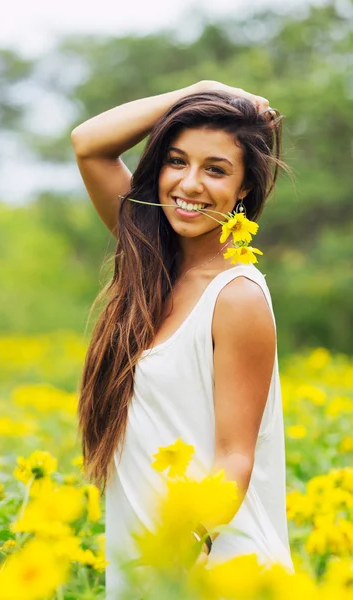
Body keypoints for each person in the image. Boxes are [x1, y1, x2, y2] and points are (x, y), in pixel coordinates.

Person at [71, 80, 295, 599]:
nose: (189, 184)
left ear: (243, 189)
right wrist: (199, 91)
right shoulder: (149, 260)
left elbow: (235, 455)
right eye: (176, 161)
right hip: (148, 563)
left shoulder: (236, 296)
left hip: (213, 567)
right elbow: (89, 143)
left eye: (215, 169)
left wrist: (191, 540)